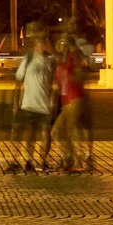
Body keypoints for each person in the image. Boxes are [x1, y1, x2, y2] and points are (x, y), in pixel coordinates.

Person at [10, 32, 56, 173]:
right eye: (40, 43)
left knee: (46, 133)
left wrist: (53, 100)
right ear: (36, 45)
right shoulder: (29, 59)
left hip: (44, 103)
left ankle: (42, 160)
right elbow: (19, 81)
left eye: (45, 43)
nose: (42, 46)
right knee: (30, 133)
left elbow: (54, 83)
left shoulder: (51, 61)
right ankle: (28, 160)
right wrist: (15, 102)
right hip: (29, 102)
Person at [46, 40, 92, 172]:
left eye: (64, 45)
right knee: (55, 131)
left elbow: (80, 69)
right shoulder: (60, 65)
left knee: (68, 130)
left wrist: (77, 76)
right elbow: (57, 85)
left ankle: (75, 160)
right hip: (66, 102)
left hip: (76, 99)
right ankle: (68, 157)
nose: (61, 48)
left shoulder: (73, 58)